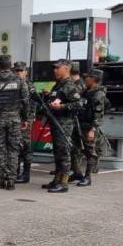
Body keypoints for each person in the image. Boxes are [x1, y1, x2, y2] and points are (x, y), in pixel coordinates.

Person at [0, 56, 30, 190]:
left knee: (0, 149)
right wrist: (25, 118)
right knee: (13, 150)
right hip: (15, 119)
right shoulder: (20, 80)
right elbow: (26, 101)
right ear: (11, 66)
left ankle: (1, 180)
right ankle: (11, 180)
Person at [42, 59, 84, 193]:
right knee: (58, 153)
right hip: (56, 122)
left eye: (57, 68)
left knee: (63, 152)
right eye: (54, 68)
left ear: (66, 69)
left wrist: (62, 106)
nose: (54, 70)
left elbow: (79, 104)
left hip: (64, 124)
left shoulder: (70, 85)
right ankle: (57, 180)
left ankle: (64, 183)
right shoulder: (59, 85)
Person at [73, 69, 107, 187]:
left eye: (87, 77)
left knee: (90, 152)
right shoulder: (87, 91)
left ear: (93, 79)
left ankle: (88, 177)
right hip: (80, 125)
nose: (85, 79)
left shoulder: (98, 93)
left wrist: (93, 129)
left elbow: (98, 113)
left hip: (89, 127)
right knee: (75, 149)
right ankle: (77, 173)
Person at [14, 61, 36, 184]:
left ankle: (26, 174)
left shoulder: (29, 85)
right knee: (15, 146)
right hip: (14, 119)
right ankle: (15, 171)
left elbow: (33, 104)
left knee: (26, 146)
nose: (18, 73)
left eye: (20, 71)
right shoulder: (12, 85)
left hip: (25, 121)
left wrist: (28, 119)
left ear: (26, 72)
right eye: (16, 70)